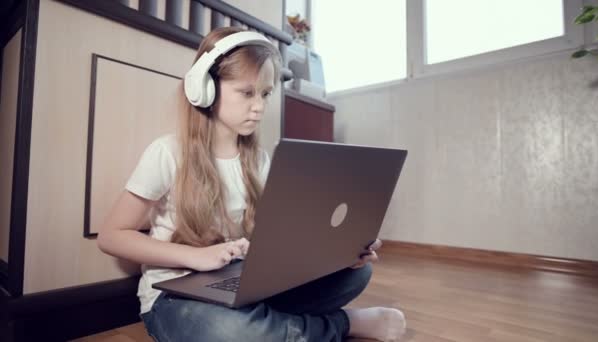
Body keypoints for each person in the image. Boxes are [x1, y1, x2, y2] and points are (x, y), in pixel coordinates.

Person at [97, 26, 406, 342]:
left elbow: (274, 239)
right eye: (247, 93)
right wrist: (194, 257)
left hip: (241, 284)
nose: (259, 105)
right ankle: (342, 325)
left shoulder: (259, 160)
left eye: (265, 93)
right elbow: (111, 236)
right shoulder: (167, 153)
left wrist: (338, 254)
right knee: (228, 330)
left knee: (356, 274)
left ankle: (275, 325)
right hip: (175, 297)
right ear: (204, 89)